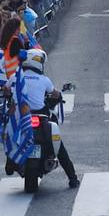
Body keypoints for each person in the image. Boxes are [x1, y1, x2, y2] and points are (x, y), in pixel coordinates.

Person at [15, 48, 79, 192]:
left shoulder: (16, 77)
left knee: (11, 135)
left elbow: (6, 89)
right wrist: (58, 95)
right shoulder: (43, 80)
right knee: (59, 148)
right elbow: (55, 93)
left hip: (22, 119)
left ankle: (11, 162)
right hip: (41, 118)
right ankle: (72, 178)